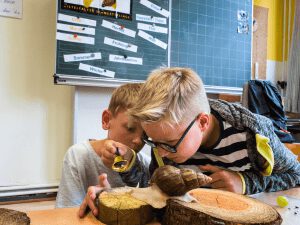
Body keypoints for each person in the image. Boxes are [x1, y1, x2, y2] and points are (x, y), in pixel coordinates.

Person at [126, 67, 300, 195]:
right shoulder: (163, 139)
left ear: (202, 122)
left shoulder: (253, 134)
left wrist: (246, 182)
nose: (161, 153)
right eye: (153, 142)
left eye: (170, 144)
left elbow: (296, 175)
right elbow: (155, 186)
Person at [55, 83, 150, 216]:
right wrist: (98, 205)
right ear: (106, 120)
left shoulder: (145, 163)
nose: (138, 140)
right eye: (130, 128)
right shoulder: (78, 156)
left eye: (146, 134)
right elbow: (65, 214)